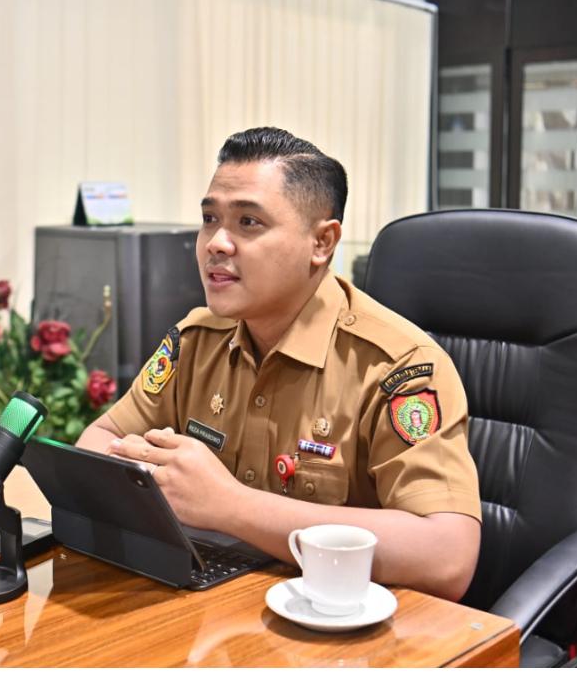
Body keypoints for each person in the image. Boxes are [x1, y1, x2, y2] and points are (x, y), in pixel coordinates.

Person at [77, 127, 481, 601]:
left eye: (248, 222)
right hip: (216, 600)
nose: (216, 243)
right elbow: (97, 442)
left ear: (322, 243)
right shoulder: (198, 339)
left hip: (335, 618)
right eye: (209, 218)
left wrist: (230, 506)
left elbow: (447, 556)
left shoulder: (398, 366)